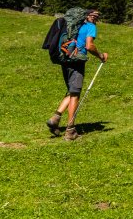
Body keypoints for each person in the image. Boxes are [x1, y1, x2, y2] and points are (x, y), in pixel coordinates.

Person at [46, 8, 108, 141]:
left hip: (65, 59)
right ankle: (70, 131)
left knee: (71, 91)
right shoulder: (90, 27)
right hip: (77, 62)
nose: (96, 20)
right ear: (92, 17)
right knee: (75, 94)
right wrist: (101, 56)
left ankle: (55, 118)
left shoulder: (74, 25)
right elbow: (89, 46)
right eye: (96, 17)